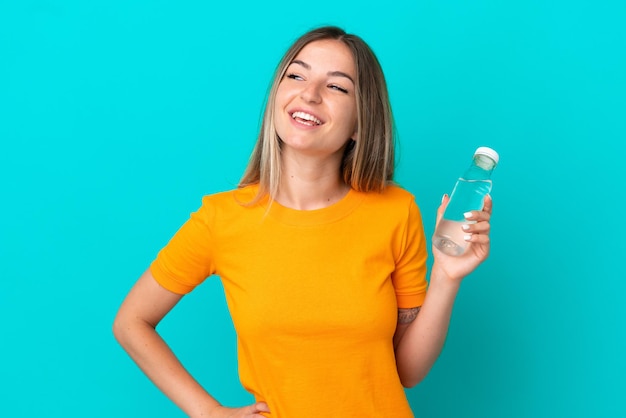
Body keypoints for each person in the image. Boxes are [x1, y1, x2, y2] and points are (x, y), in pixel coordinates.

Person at [113, 26, 493, 418]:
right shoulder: (221, 219)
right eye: (296, 75)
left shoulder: (395, 210)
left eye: (337, 87)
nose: (309, 94)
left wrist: (448, 277)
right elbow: (131, 321)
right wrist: (207, 411)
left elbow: (408, 372)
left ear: (362, 123)